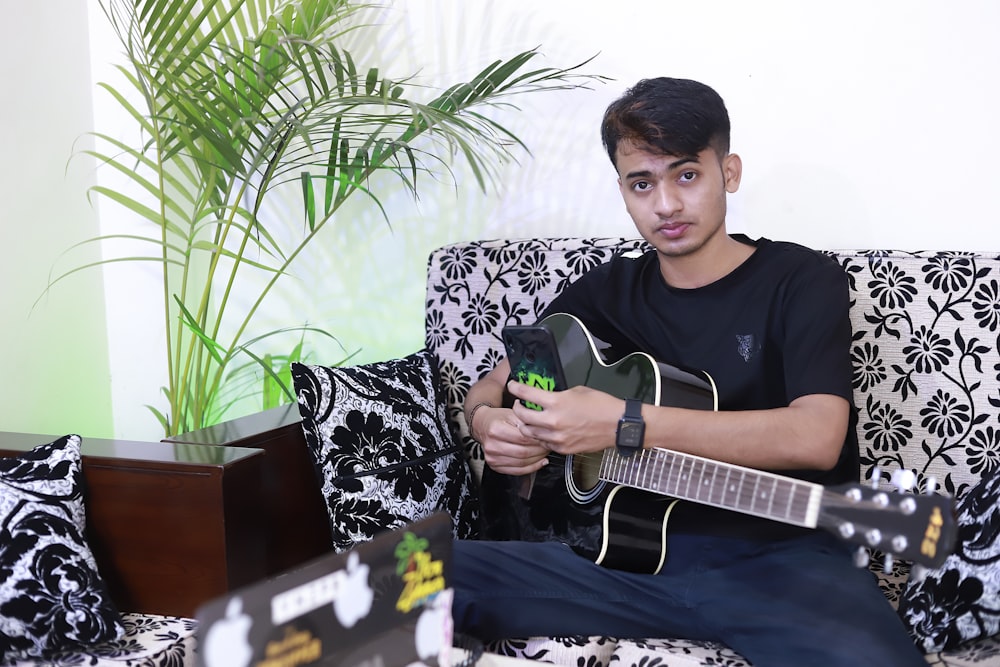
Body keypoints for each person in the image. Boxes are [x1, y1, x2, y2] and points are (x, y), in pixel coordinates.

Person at [451, 77, 926, 666]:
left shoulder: (801, 280)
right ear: (623, 191)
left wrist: (624, 423)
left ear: (728, 172)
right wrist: (488, 422)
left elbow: (816, 435)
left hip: (783, 563)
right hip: (616, 565)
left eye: (686, 175)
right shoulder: (604, 294)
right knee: (391, 582)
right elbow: (497, 383)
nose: (666, 205)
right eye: (642, 184)